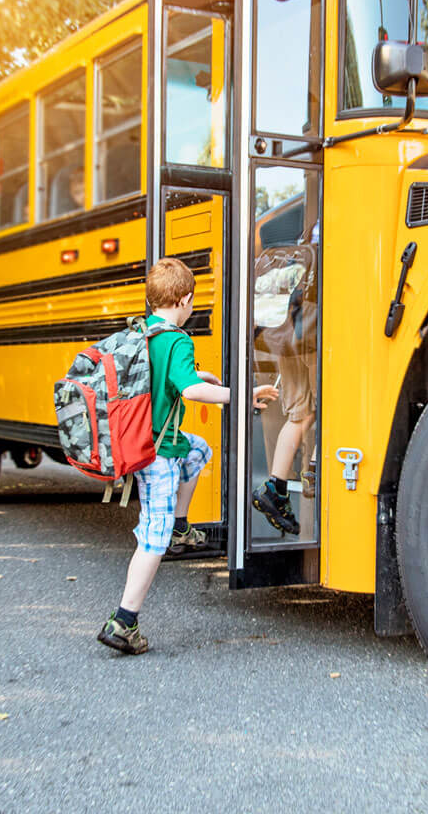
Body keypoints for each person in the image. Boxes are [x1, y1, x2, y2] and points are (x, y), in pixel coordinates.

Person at [97, 256, 278, 655]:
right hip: (156, 456)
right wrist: (239, 396)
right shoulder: (178, 338)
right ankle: (123, 621)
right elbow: (190, 392)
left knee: (198, 450)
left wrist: (202, 376)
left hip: (149, 443)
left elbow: (177, 379)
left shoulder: (144, 331)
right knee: (152, 540)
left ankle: (181, 525)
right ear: (184, 300)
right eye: (193, 301)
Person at [251, 223, 318, 534]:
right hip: (312, 339)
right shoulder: (322, 239)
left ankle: (276, 487)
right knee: (320, 409)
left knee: (298, 414)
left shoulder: (283, 251)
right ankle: (311, 475)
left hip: (284, 340)